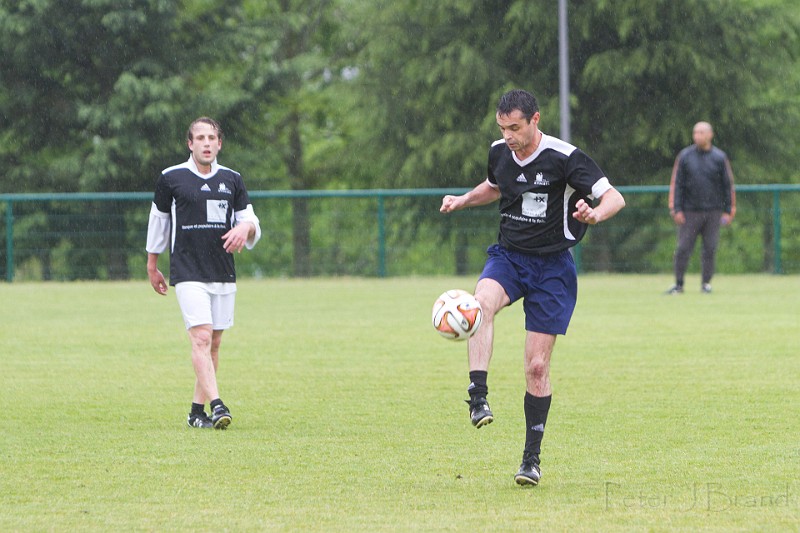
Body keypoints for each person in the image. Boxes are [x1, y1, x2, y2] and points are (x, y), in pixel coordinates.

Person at [440, 89, 625, 486]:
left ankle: (531, 459)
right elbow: (494, 186)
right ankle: (478, 395)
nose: (508, 136)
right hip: (508, 256)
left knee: (537, 367)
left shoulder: (564, 157)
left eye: (515, 127)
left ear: (535, 119)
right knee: (480, 305)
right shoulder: (499, 151)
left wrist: (594, 214)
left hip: (553, 268)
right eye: (502, 128)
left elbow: (615, 198)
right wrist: (463, 200)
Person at [146, 117, 261, 430]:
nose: (207, 143)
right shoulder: (172, 178)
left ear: (219, 144)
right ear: (190, 143)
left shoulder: (232, 180)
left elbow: (250, 220)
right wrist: (152, 264)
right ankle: (217, 405)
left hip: (222, 270)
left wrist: (245, 228)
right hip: (187, 270)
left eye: (212, 137)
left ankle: (196, 412)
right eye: (200, 138)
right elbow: (159, 221)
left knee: (214, 344)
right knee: (200, 336)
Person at [667, 121, 736, 294]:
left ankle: (706, 284)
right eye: (695, 132)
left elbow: (728, 185)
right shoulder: (685, 156)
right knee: (683, 248)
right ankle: (679, 284)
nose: (697, 136)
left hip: (713, 211)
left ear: (710, 135)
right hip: (689, 211)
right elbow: (677, 184)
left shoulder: (719, 157)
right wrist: (676, 209)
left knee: (710, 248)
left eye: (701, 132)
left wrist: (729, 210)